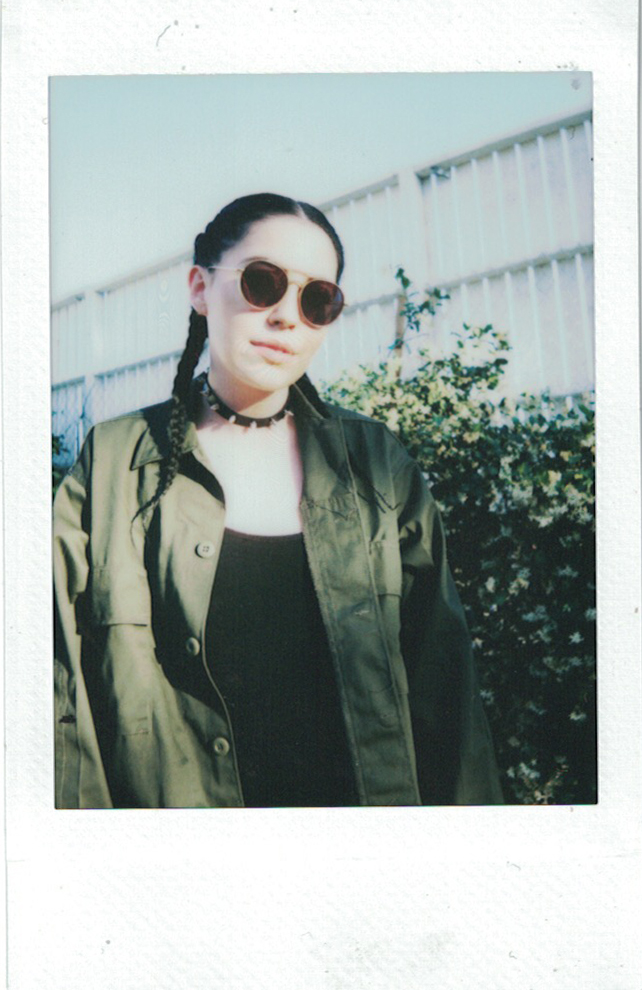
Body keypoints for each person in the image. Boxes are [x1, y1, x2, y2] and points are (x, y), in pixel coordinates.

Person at [53, 192, 503, 809]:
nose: (288, 316)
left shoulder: (377, 466)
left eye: (317, 299)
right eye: (262, 283)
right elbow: (59, 701)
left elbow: (447, 697)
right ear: (199, 288)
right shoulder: (111, 464)